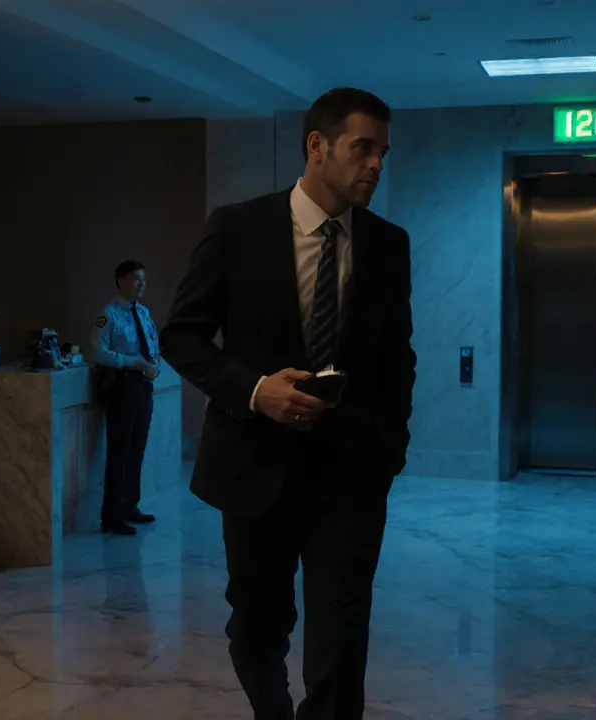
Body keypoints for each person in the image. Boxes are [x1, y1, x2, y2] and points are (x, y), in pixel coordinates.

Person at [160, 87, 416, 719]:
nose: (377, 165)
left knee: (341, 639)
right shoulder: (237, 227)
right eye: (363, 149)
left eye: (383, 152)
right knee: (256, 628)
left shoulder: (388, 244)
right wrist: (253, 391)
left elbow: (397, 358)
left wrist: (390, 446)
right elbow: (181, 336)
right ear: (316, 146)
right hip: (254, 468)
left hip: (351, 474)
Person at [90, 260, 161, 536]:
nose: (141, 284)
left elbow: (151, 344)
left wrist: (152, 365)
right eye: (135, 279)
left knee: (137, 448)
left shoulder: (143, 313)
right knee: (119, 451)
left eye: (143, 279)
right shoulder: (108, 315)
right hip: (122, 386)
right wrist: (133, 362)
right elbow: (98, 352)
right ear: (120, 281)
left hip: (143, 386)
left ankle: (130, 504)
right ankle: (112, 514)